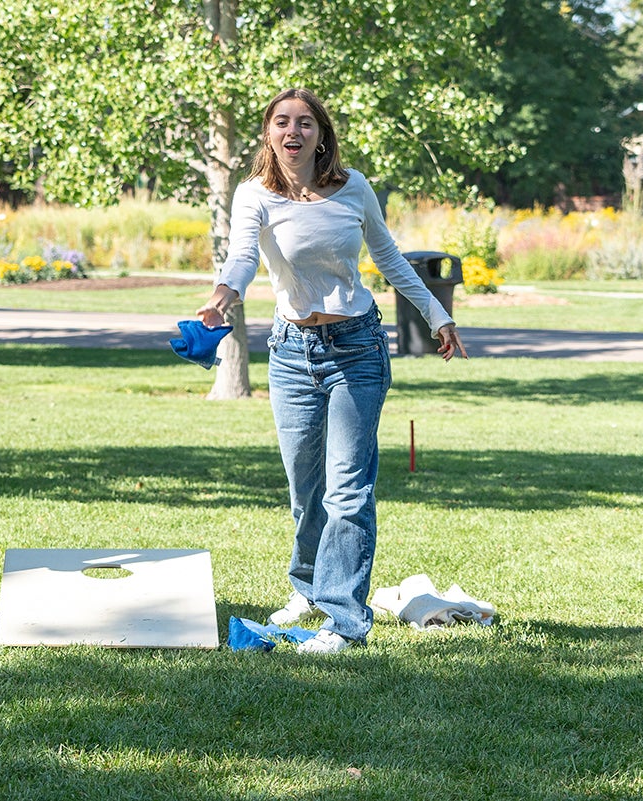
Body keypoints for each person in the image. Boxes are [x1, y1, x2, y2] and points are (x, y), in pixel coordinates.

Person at [197, 88, 467, 654]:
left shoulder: (354, 187)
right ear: (269, 134)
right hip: (292, 352)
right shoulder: (255, 195)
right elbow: (243, 254)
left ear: (321, 135)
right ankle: (308, 588)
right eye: (281, 123)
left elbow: (389, 257)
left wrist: (437, 315)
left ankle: (343, 621)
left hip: (357, 349)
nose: (292, 132)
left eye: (305, 123)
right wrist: (224, 295)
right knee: (305, 487)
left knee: (347, 491)